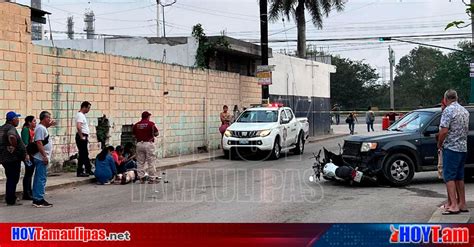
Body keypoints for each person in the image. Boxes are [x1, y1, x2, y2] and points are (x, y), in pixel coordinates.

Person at [437, 89, 470, 215]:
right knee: (459, 176)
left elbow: (444, 131)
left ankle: (454, 205)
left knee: (449, 176)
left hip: (451, 147)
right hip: (463, 148)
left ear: (445, 99)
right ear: (456, 97)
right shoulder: (464, 111)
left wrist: (440, 144)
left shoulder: (448, 110)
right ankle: (462, 203)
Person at [0, 111, 26, 206]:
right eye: (17, 118)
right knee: (13, 178)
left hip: (4, 158)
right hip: (12, 158)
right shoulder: (11, 128)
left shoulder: (2, 128)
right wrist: (14, 146)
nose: (18, 120)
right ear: (12, 120)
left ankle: (10, 197)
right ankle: (10, 199)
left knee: (10, 178)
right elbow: (11, 136)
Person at [32, 111, 55, 208]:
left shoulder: (42, 128)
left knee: (39, 178)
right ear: (44, 118)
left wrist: (49, 125)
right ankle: (39, 200)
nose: (50, 119)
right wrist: (44, 156)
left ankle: (37, 198)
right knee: (41, 179)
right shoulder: (41, 128)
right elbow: (38, 142)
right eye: (48, 118)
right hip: (41, 158)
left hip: (40, 157)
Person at [133, 111, 159, 183]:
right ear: (148, 117)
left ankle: (141, 177)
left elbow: (134, 135)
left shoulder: (136, 125)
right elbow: (156, 133)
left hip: (139, 144)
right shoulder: (151, 124)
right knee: (151, 161)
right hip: (148, 144)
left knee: (140, 162)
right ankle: (152, 178)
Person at [20, 115, 36, 200]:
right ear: (29, 122)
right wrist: (27, 155)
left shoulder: (31, 130)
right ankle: (26, 193)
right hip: (28, 154)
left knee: (30, 173)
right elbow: (25, 144)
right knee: (28, 173)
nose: (35, 123)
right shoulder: (26, 130)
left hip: (31, 154)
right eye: (34, 121)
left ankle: (29, 191)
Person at [75, 101, 92, 177]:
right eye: (88, 108)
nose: (89, 110)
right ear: (84, 107)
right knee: (83, 154)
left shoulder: (82, 115)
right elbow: (79, 126)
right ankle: (83, 170)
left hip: (83, 136)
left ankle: (86, 169)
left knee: (83, 154)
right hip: (81, 136)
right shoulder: (80, 115)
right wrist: (81, 136)